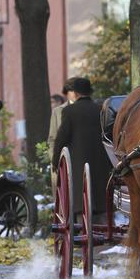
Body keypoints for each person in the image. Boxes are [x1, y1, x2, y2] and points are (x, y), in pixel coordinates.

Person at [51, 77, 111, 223]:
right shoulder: (100, 109)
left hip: (79, 162)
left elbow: (61, 137)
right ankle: (103, 227)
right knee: (99, 193)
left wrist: (55, 160)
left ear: (75, 93)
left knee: (81, 195)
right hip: (100, 160)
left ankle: (82, 228)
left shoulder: (69, 111)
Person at [47, 84, 71, 196]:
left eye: (52, 102)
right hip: (60, 159)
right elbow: (52, 138)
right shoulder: (57, 112)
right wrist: (53, 157)